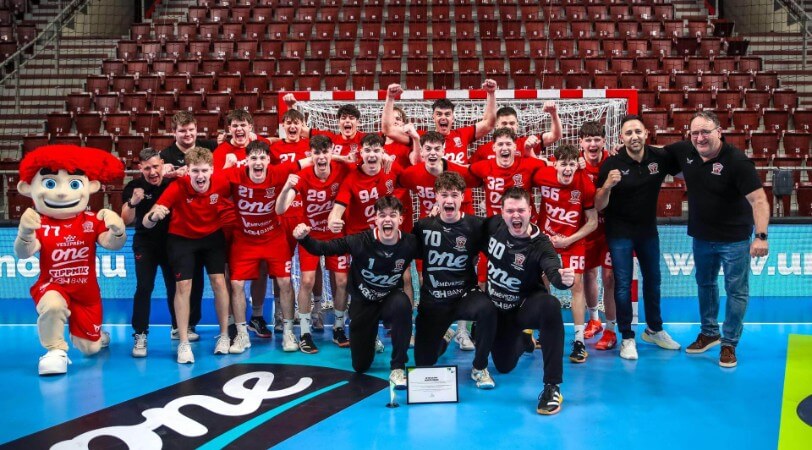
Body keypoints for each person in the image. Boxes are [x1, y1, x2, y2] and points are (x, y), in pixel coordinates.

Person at [665, 111, 770, 368]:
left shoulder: (737, 162)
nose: (700, 138)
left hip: (735, 240)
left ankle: (729, 343)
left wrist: (761, 237)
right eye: (695, 133)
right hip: (702, 238)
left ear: (719, 132)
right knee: (705, 284)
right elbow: (654, 154)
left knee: (736, 291)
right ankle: (709, 333)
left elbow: (759, 200)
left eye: (705, 132)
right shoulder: (685, 152)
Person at [14, 145, 127, 375]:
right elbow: (24, 253)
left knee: (90, 349)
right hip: (53, 285)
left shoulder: (91, 220)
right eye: (50, 183)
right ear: (28, 188)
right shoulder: (38, 222)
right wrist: (24, 233)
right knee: (52, 305)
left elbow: (112, 244)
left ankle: (97, 336)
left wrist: (118, 231)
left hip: (86, 294)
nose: (62, 193)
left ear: (90, 187)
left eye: (74, 184)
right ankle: (55, 351)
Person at [293, 196, 418, 388]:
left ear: (400, 219)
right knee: (360, 366)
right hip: (363, 303)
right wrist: (304, 238)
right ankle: (370, 338)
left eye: (393, 215)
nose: (387, 219)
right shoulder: (360, 241)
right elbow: (323, 248)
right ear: (375, 219)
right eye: (382, 215)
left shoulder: (410, 243)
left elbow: (438, 248)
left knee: (402, 303)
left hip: (389, 300)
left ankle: (398, 367)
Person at [595, 115, 681, 360]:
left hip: (648, 232)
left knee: (653, 280)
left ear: (646, 134)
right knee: (622, 284)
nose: (634, 136)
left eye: (637, 132)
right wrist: (607, 186)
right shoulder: (611, 164)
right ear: (621, 137)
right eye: (628, 133)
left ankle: (654, 330)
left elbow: (687, 167)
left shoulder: (659, 157)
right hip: (619, 233)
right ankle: (627, 337)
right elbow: (599, 205)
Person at [482, 187, 574, 414]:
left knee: (551, 306)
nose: (516, 215)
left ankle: (552, 386)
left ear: (530, 211)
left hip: (525, 307)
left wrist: (563, 280)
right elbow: (464, 227)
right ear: (502, 213)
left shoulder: (540, 244)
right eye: (510, 211)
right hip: (498, 310)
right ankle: (525, 341)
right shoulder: (493, 226)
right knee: (503, 366)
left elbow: (553, 270)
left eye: (521, 210)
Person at [220, 140, 314, 354]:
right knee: (236, 284)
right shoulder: (234, 174)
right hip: (244, 240)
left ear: (268, 161)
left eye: (262, 158)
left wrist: (345, 160)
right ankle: (242, 335)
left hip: (273, 238)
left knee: (285, 282)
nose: (258, 162)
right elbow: (209, 179)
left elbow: (309, 160)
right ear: (246, 160)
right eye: (253, 158)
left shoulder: (279, 172)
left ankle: (288, 332)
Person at [144, 147, 232, 363]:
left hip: (212, 237)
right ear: (188, 171)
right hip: (182, 238)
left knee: (219, 282)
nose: (200, 176)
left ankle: (224, 336)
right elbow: (147, 221)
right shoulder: (177, 187)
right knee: (183, 286)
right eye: (195, 171)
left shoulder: (222, 182)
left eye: (204, 171)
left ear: (212, 170)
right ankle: (183, 343)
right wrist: (154, 216)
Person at [412, 172, 498, 389]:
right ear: (436, 197)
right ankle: (444, 336)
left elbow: (501, 247)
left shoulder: (476, 226)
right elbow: (402, 252)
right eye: (444, 195)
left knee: (487, 309)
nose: (449, 200)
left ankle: (479, 367)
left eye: (454, 195)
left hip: (464, 297)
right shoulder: (423, 226)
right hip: (433, 301)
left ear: (462, 197)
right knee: (424, 363)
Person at [397, 131, 479, 350]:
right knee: (427, 281)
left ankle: (462, 331)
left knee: (462, 280)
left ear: (444, 151)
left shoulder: (459, 172)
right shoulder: (411, 174)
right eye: (428, 149)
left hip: (457, 235)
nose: (432, 153)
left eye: (437, 149)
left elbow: (481, 182)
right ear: (421, 152)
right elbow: (391, 181)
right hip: (429, 236)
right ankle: (433, 328)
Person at [277, 135, 353, 352]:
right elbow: (281, 209)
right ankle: (304, 332)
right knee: (307, 281)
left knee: (342, 281)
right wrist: (285, 188)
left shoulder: (342, 170)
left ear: (331, 153)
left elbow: (364, 167)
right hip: (310, 235)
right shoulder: (303, 176)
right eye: (316, 153)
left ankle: (339, 327)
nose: (321, 157)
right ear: (310, 155)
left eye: (325, 152)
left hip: (335, 235)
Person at [532, 144, 598, 363]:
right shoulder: (542, 175)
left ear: (577, 165)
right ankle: (543, 331)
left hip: (573, 241)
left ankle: (579, 341)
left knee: (576, 286)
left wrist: (569, 240)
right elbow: (523, 175)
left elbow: (593, 222)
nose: (567, 168)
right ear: (555, 164)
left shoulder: (585, 183)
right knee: (542, 284)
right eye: (563, 164)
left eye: (571, 164)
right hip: (546, 240)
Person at [159, 111, 214, 341]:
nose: (188, 134)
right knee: (178, 281)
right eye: (182, 131)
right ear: (174, 132)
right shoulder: (165, 156)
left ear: (197, 130)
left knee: (198, 281)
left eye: (191, 130)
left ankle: (192, 324)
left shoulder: (208, 147)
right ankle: (177, 325)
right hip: (177, 229)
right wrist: (168, 174)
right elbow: (159, 184)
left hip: (205, 226)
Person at [121, 148, 175, 358]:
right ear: (140, 168)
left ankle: (179, 327)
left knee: (175, 287)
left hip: (172, 243)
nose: (152, 172)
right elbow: (125, 220)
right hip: (145, 244)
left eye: (155, 167)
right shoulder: (133, 187)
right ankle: (140, 334)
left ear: (162, 164)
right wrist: (133, 202)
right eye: (147, 169)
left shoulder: (172, 183)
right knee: (144, 287)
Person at [382, 81, 498, 165]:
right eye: (439, 114)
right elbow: (388, 130)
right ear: (433, 117)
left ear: (453, 118)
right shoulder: (421, 136)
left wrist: (491, 94)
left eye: (447, 114)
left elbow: (489, 124)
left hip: (460, 192)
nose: (443, 117)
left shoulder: (463, 134)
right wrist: (390, 98)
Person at [577, 121, 618, 351]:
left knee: (610, 277)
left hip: (611, 228)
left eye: (596, 139)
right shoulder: (575, 163)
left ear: (603, 141)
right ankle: (594, 319)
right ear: (581, 142)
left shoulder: (613, 161)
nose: (592, 144)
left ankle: (611, 329)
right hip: (586, 228)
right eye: (588, 140)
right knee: (588, 274)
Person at [469, 104, 561, 163]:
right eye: (504, 123)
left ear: (517, 125)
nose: (508, 126)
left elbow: (555, 136)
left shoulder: (527, 142)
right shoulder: (483, 149)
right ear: (496, 125)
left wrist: (553, 114)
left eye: (512, 123)